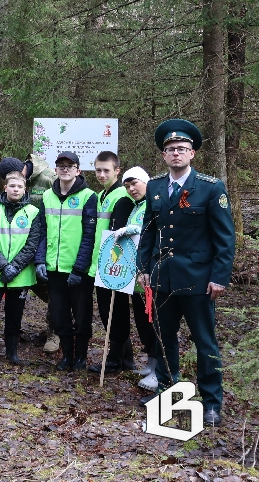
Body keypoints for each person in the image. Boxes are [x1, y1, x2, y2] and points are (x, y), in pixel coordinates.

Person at [138, 119, 235, 427]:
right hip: (163, 278)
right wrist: (143, 268)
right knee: (164, 341)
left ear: (192, 153)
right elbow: (148, 232)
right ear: (164, 156)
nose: (175, 153)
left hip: (197, 280)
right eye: (170, 150)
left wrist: (219, 276)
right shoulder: (154, 187)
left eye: (181, 149)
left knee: (205, 342)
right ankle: (168, 394)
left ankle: (211, 402)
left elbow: (224, 237)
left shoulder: (210, 188)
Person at [35, 151, 98, 371]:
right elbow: (42, 231)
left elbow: (90, 236)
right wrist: (40, 260)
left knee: (81, 317)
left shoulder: (89, 196)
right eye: (61, 166)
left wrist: (79, 268)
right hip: (54, 268)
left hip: (78, 270)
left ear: (78, 170)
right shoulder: (47, 197)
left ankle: (81, 356)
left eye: (70, 166)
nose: (65, 169)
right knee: (59, 316)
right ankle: (67, 356)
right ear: (56, 170)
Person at [0, 170, 42, 366]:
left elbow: (32, 243)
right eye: (12, 186)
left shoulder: (33, 213)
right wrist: (4, 266)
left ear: (25, 189)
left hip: (20, 275)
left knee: (15, 314)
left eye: (19, 186)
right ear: (5, 188)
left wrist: (15, 266)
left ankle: (12, 351)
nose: (15, 189)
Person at [0, 155, 60, 354]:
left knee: (53, 292)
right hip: (21, 252)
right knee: (33, 289)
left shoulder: (49, 178)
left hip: (46, 246)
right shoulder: (14, 185)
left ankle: (56, 331)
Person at [107, 167, 158, 390]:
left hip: (151, 274)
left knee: (154, 323)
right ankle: (150, 363)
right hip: (135, 276)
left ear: (145, 182)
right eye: (127, 186)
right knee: (143, 322)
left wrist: (133, 229)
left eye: (134, 183)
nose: (131, 189)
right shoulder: (136, 206)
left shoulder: (154, 203)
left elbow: (153, 229)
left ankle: (159, 371)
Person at [87, 151, 136, 374]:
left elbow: (121, 234)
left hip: (114, 264)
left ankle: (116, 358)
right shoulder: (101, 196)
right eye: (98, 170)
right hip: (101, 262)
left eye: (106, 170)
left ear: (117, 170)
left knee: (115, 312)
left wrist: (114, 265)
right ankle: (125, 357)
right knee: (108, 312)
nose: (101, 174)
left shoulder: (122, 197)